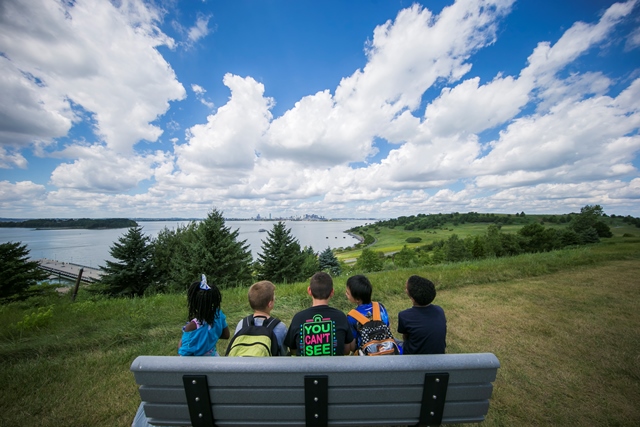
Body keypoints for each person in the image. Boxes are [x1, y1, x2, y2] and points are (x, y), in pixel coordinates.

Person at [284, 272, 355, 356]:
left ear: (309, 291)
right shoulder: (340, 316)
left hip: (306, 368)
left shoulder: (298, 318)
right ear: (332, 292)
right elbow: (346, 350)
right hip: (335, 368)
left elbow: (293, 350)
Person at [229, 280, 288, 356]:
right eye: (274, 297)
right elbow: (283, 354)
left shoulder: (242, 324)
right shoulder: (280, 327)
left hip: (241, 367)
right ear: (270, 304)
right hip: (269, 367)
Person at [178, 274, 230, 356]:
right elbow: (226, 335)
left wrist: (180, 342)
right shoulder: (218, 314)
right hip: (215, 360)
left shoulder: (192, 326)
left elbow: (184, 354)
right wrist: (211, 336)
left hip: (198, 367)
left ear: (193, 303)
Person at [397, 275, 446, 354]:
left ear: (412, 298)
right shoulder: (439, 311)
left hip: (413, 359)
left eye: (406, 289)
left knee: (392, 340)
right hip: (438, 356)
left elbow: (405, 338)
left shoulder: (404, 316)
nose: (405, 290)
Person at [345, 274, 395, 352]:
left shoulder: (351, 317)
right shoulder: (380, 307)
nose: (346, 294)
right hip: (386, 349)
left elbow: (352, 346)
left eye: (347, 293)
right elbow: (388, 327)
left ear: (357, 299)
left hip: (366, 355)